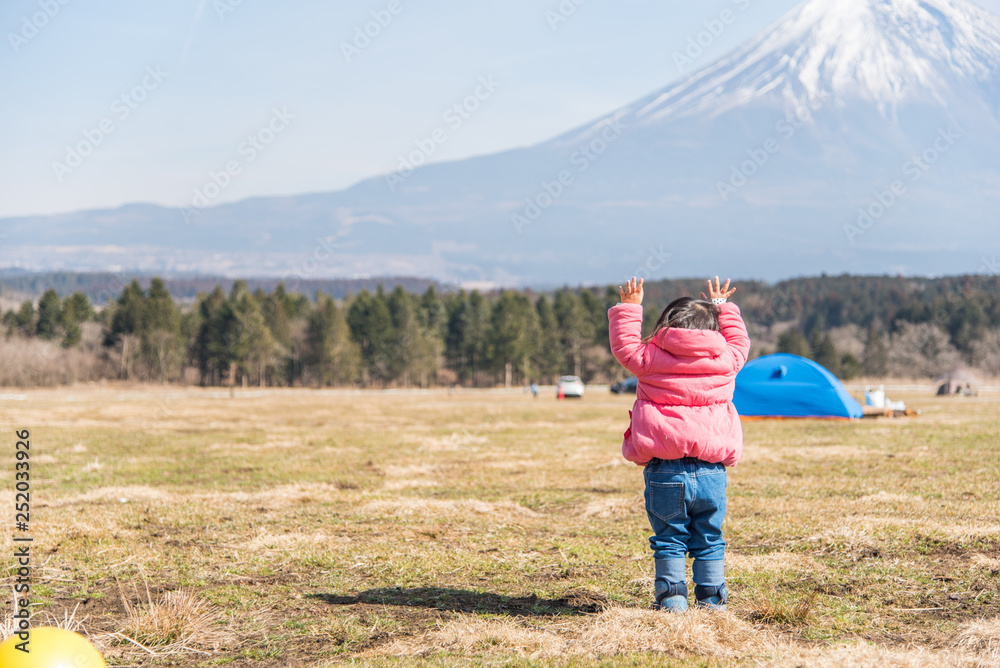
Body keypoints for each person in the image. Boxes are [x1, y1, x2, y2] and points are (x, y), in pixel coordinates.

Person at [608, 276, 750, 612]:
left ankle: (672, 601)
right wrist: (723, 307)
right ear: (714, 330)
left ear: (666, 325)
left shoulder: (650, 358)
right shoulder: (727, 360)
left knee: (669, 540)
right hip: (711, 471)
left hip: (664, 471)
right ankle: (713, 601)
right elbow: (740, 341)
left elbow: (624, 345)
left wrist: (630, 307)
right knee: (710, 538)